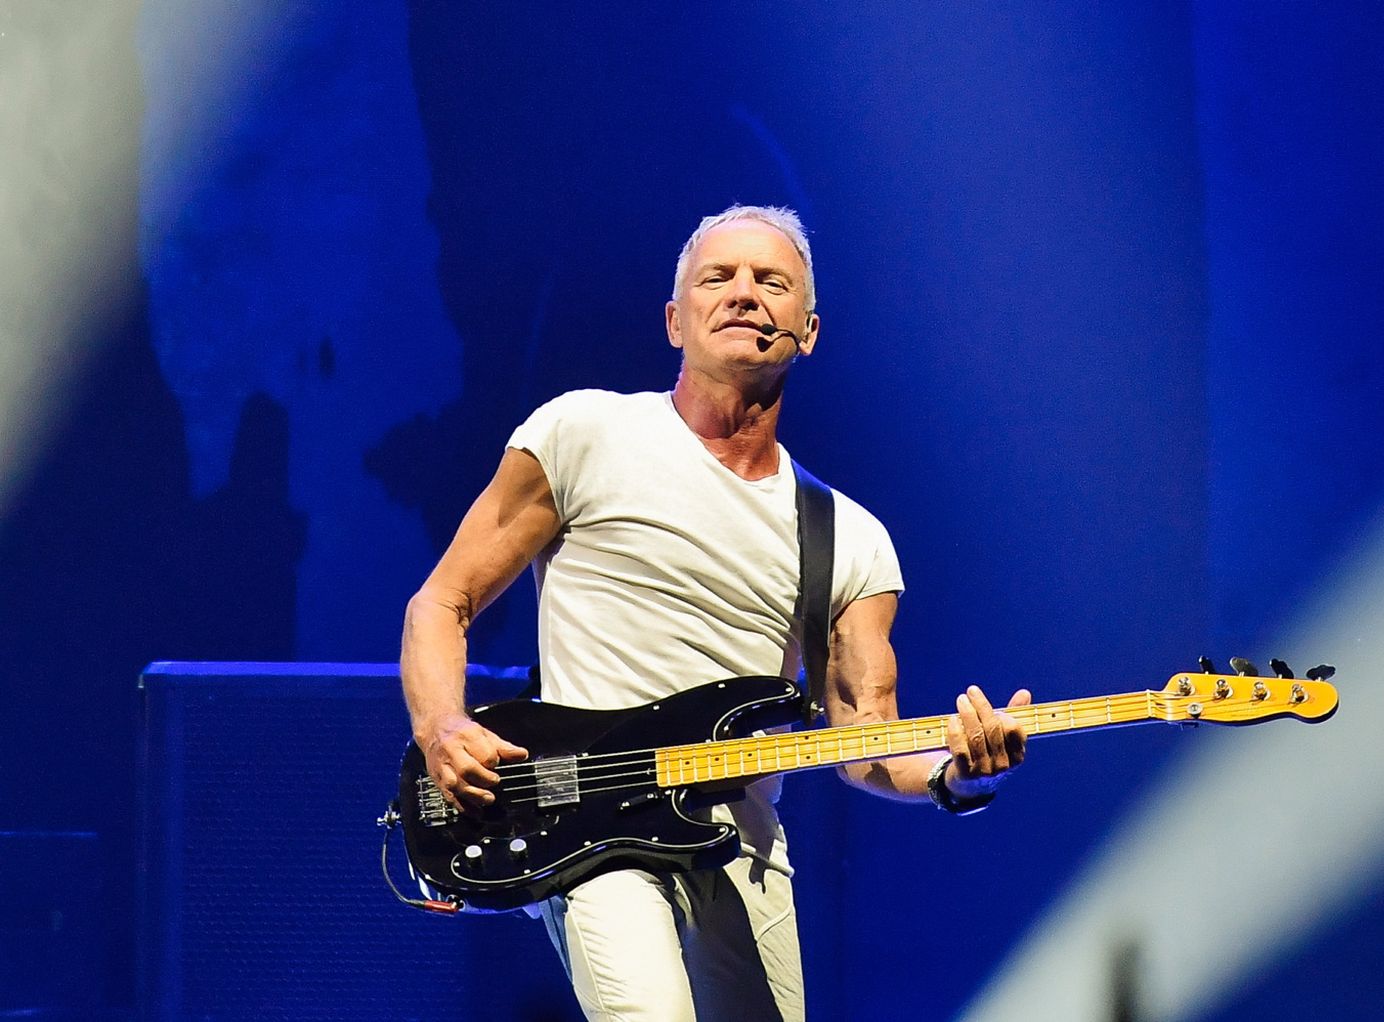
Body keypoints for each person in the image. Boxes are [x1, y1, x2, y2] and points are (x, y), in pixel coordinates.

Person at [399, 205, 1030, 1022]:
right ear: (675, 320)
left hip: (739, 839)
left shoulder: (849, 538)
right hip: (586, 828)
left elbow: (865, 743)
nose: (742, 293)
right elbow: (441, 601)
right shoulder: (582, 434)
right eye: (717, 278)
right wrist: (441, 725)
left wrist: (957, 776)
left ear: (808, 332)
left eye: (771, 282)